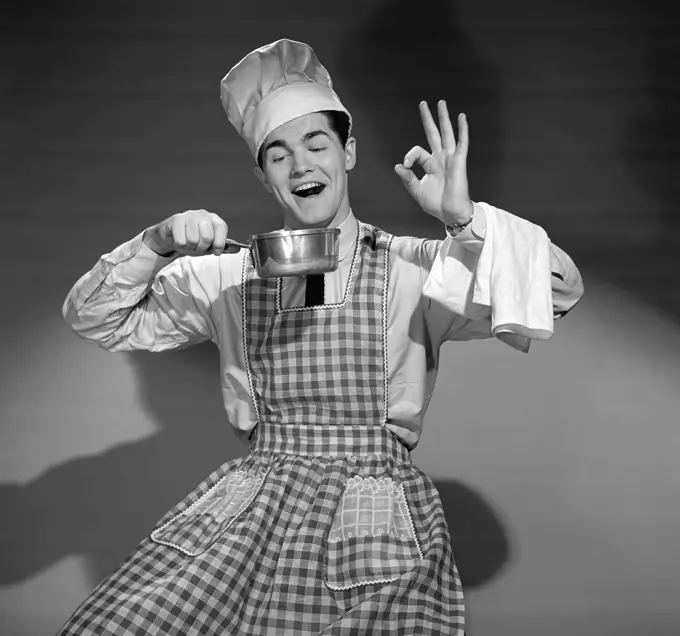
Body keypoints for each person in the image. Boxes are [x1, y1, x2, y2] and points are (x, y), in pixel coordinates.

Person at [58, 39, 583, 636]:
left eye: (316, 144)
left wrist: (464, 220)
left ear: (349, 152)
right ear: (263, 176)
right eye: (278, 155)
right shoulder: (229, 274)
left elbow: (558, 292)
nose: (301, 166)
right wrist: (154, 244)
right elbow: (96, 317)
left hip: (371, 520)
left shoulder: (414, 267)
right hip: (249, 517)